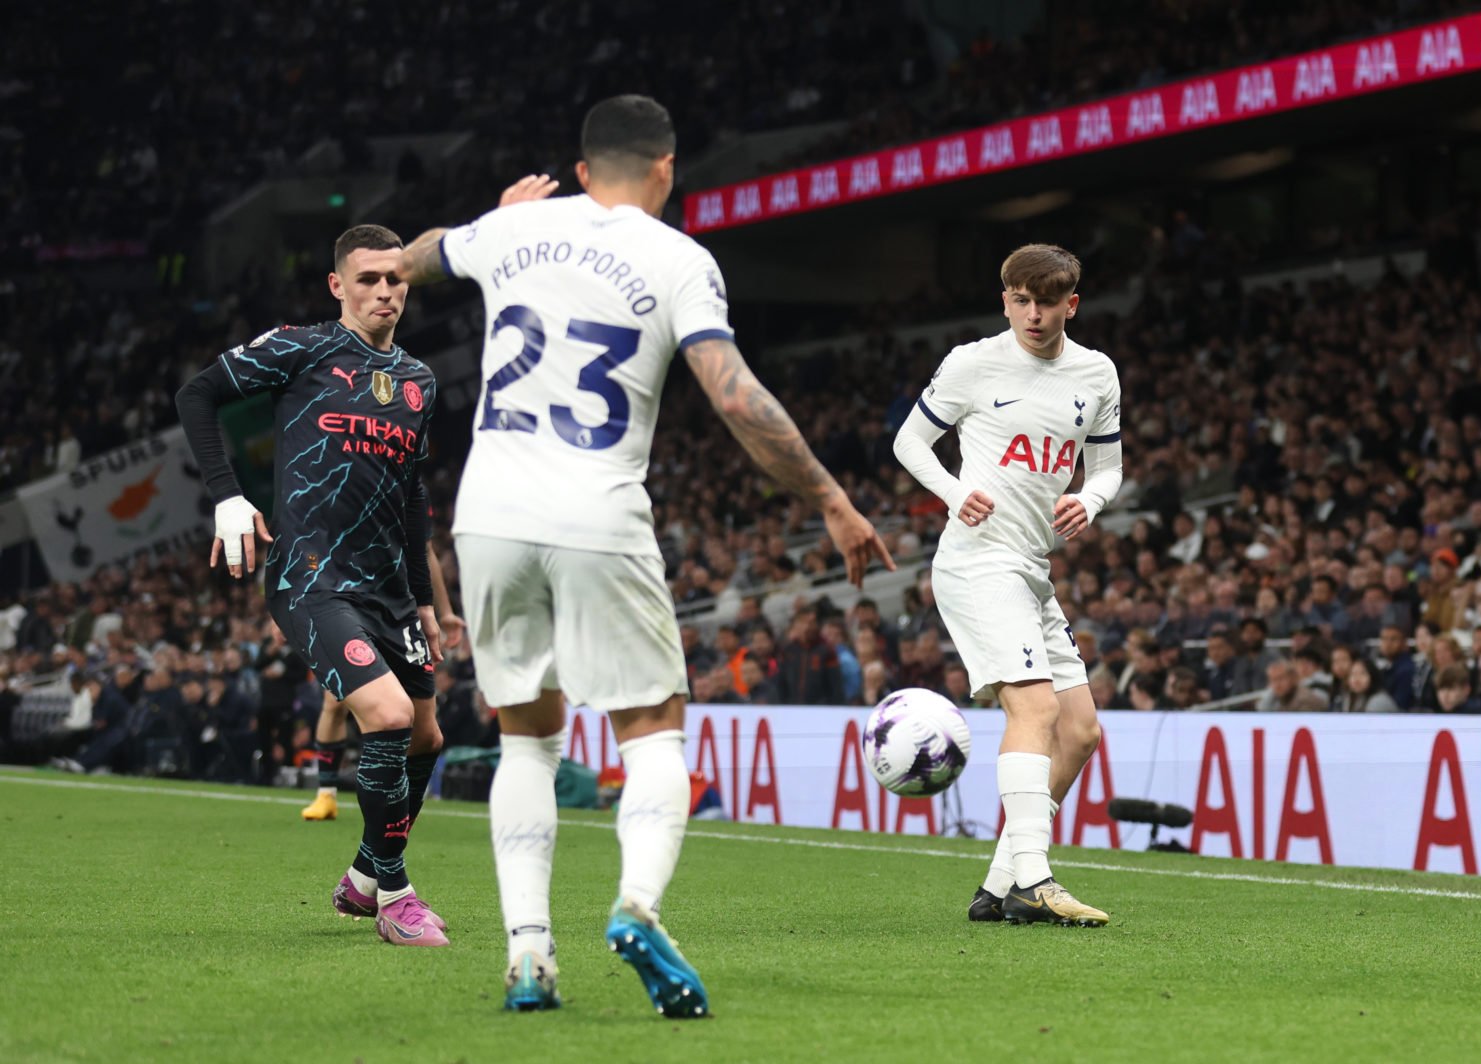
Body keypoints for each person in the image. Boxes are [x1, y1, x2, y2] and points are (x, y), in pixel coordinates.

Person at [389, 95, 892, 1015]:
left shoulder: (514, 230)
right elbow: (737, 401)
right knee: (654, 728)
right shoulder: (679, 259)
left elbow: (411, 261)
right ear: (667, 168)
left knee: (527, 743)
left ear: (581, 170)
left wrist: (485, 225)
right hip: (597, 510)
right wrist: (830, 497)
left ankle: (529, 958)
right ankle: (637, 906)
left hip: (489, 515)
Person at [176, 224, 457, 949]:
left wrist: (428, 601)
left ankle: (364, 874)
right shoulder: (304, 349)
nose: (385, 291)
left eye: (396, 278)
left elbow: (410, 492)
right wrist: (226, 495)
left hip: (390, 588)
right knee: (389, 715)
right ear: (338, 285)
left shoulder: (421, 382)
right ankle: (396, 896)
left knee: (427, 732)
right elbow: (198, 393)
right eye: (368, 279)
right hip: (312, 575)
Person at [892, 242, 1121, 927]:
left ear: (1069, 304)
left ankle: (998, 889)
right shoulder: (974, 363)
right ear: (1005, 300)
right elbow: (909, 442)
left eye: (1047, 301)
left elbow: (1107, 468)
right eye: (1020, 300)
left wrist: (1094, 500)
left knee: (1079, 732)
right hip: (976, 559)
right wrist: (954, 491)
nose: (1033, 313)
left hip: (1031, 569)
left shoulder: (1097, 374)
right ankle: (1034, 879)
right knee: (1036, 712)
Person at [302, 539, 465, 820]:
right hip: (349, 611)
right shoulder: (333, 501)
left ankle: (403, 795)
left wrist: (445, 611)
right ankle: (326, 794)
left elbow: (424, 549)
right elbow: (311, 548)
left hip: (401, 613)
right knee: (335, 701)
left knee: (420, 722)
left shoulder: (407, 497)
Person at [1255, 659, 1329, 712]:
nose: (1277, 684)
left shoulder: (1305, 701)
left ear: (1293, 678)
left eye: (1280, 678)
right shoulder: (1278, 698)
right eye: (1273, 680)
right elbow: (1262, 710)